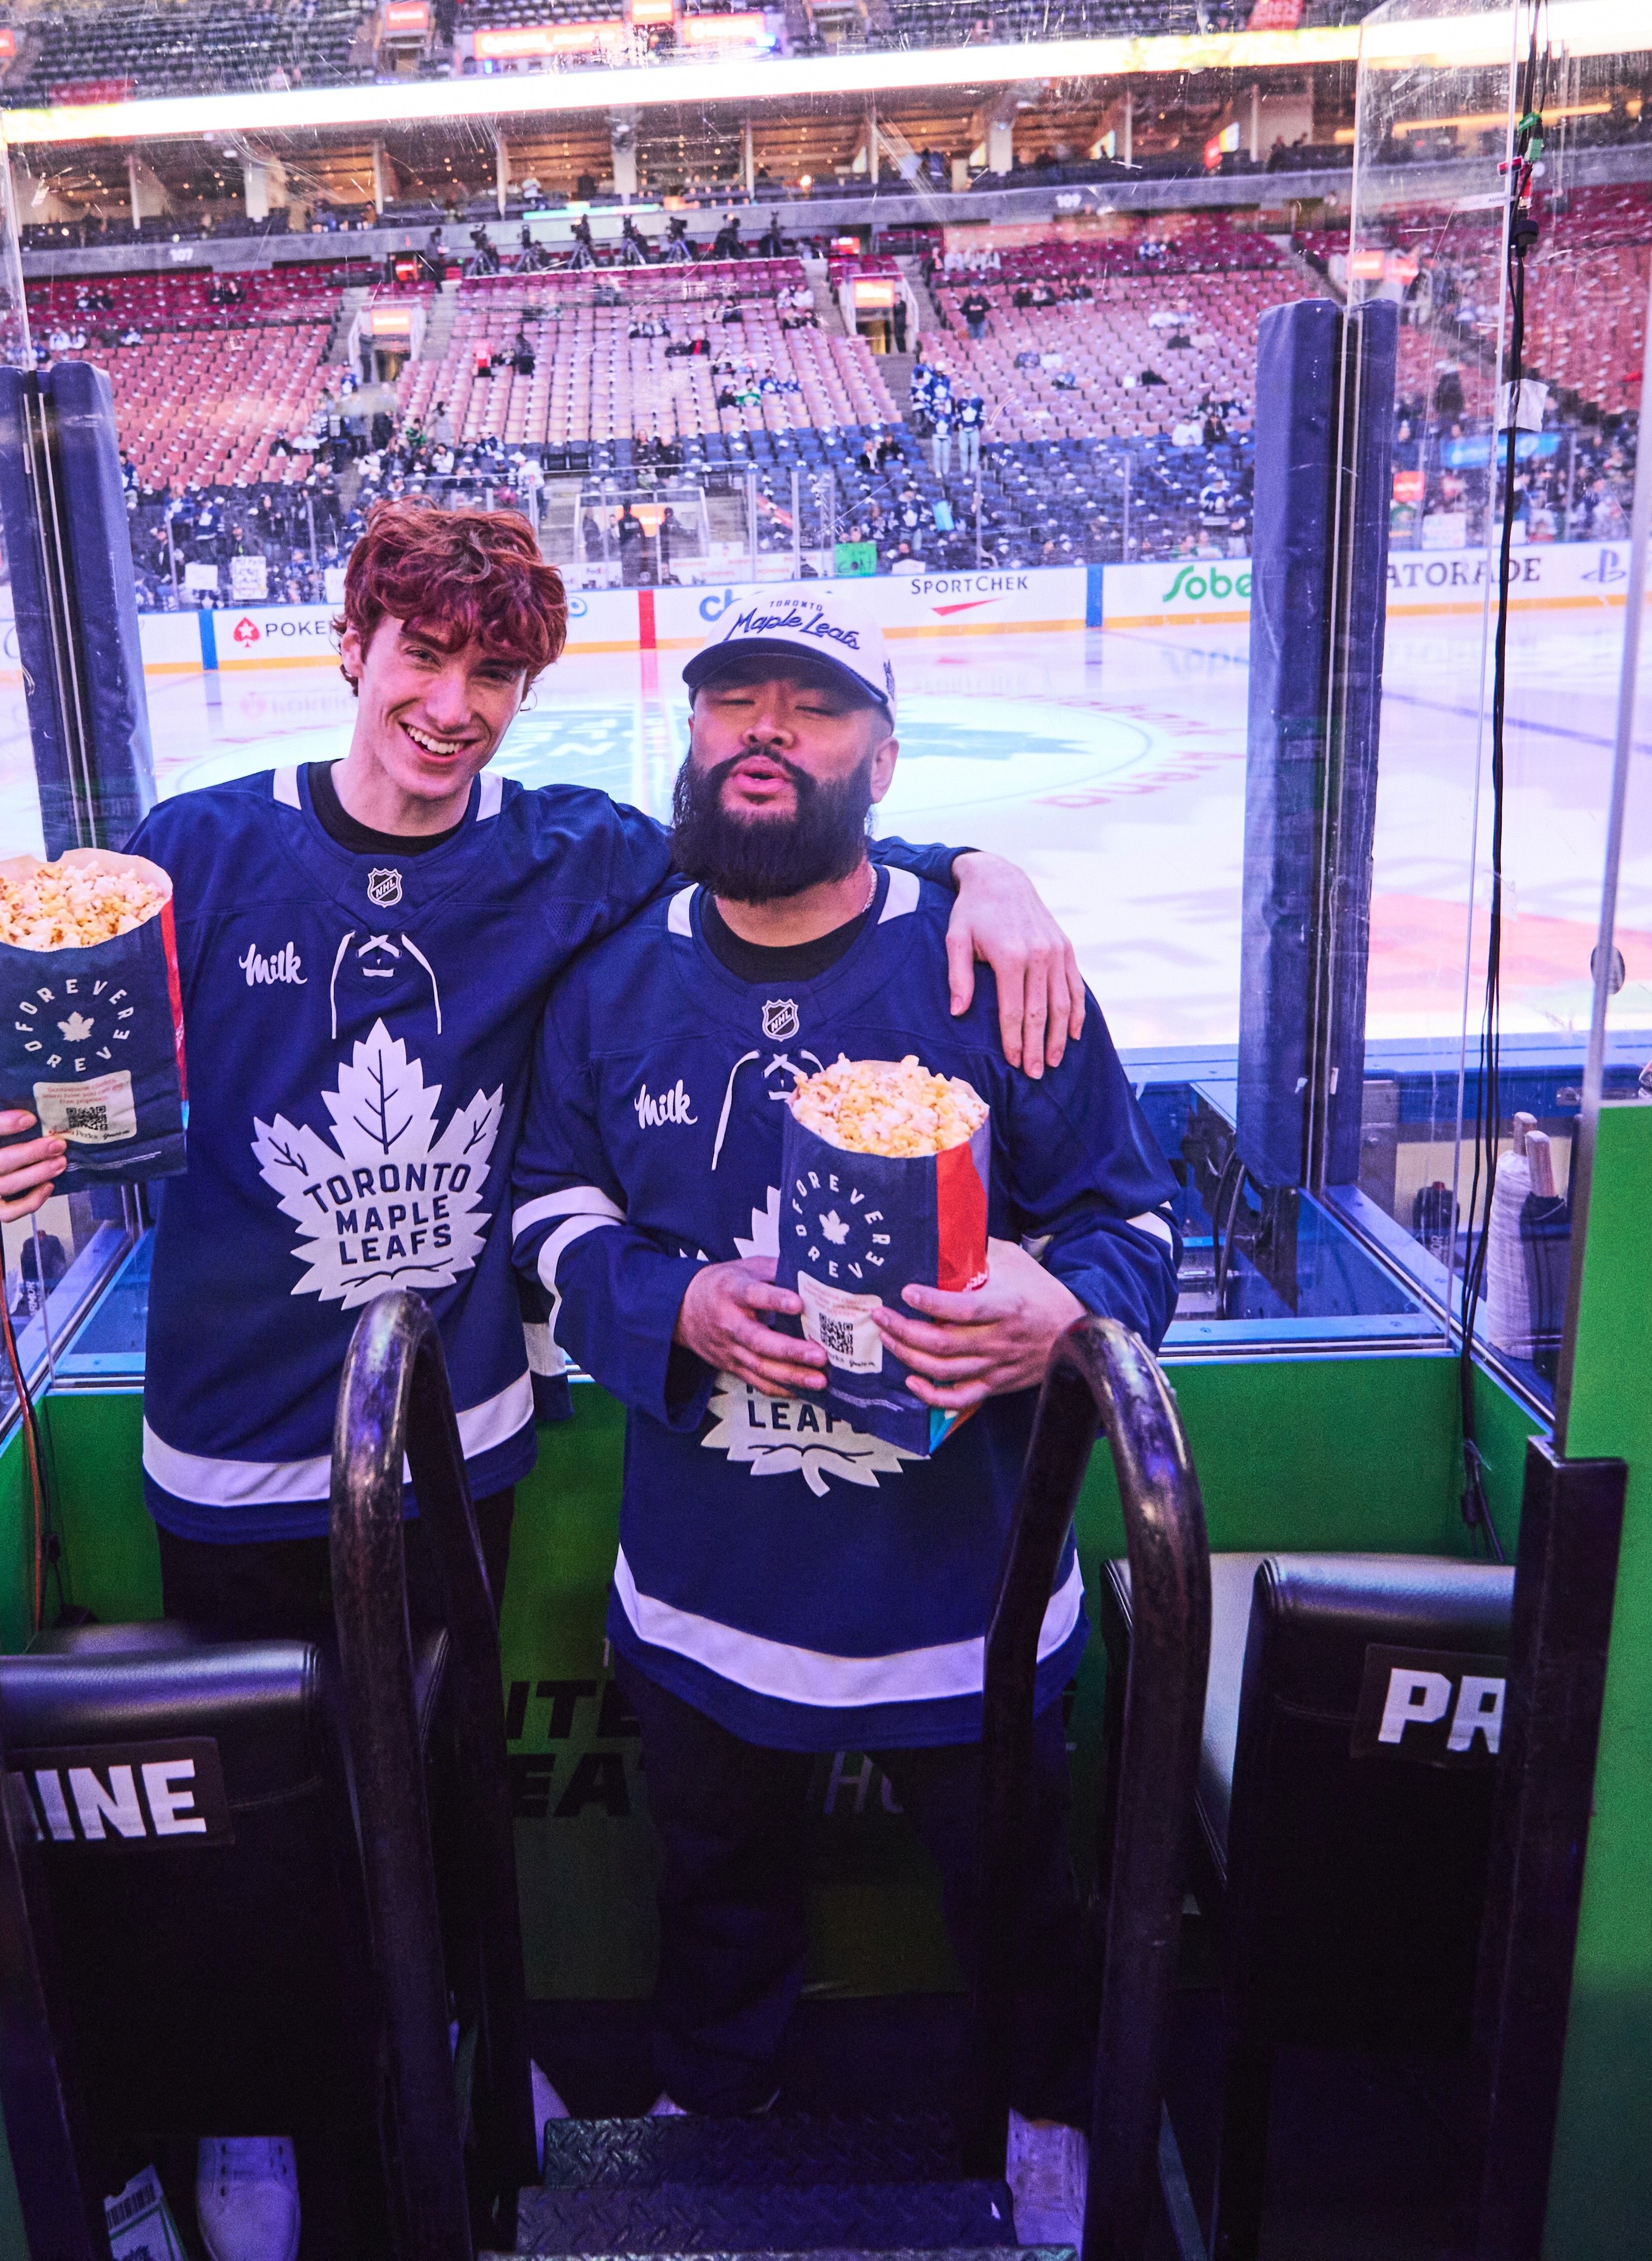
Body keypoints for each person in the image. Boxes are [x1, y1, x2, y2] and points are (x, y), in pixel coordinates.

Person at [0, 508, 1083, 2261]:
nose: (450, 705)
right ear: (351, 645)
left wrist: (988, 864)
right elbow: (20, 1025)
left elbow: (794, 842)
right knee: (267, 1825)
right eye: (422, 658)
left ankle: (487, 2058)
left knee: (457, 1796)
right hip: (230, 1443)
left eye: (494, 672)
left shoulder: (577, 858)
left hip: (459, 1442)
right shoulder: (201, 849)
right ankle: (261, 2107)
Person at [509, 597, 1174, 2251]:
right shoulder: (607, 986)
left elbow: (1131, 1225)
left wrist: (1062, 1314)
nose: (763, 732)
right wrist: (667, 1306)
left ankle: (1042, 2112)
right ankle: (706, 2111)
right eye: (732, 699)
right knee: (714, 1896)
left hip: (969, 1595)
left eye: (810, 708)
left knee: (1021, 1903)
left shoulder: (986, 967)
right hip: (707, 1585)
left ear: (882, 754)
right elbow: (544, 1205)